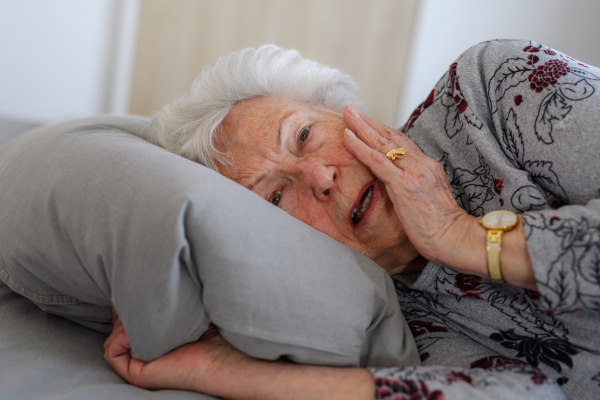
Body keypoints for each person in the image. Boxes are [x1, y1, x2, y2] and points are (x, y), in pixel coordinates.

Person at [104, 40, 600, 399]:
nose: (319, 176)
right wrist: (219, 369)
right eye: (275, 197)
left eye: (303, 136)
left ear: (343, 112)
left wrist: (460, 234)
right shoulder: (374, 320)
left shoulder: (489, 91)